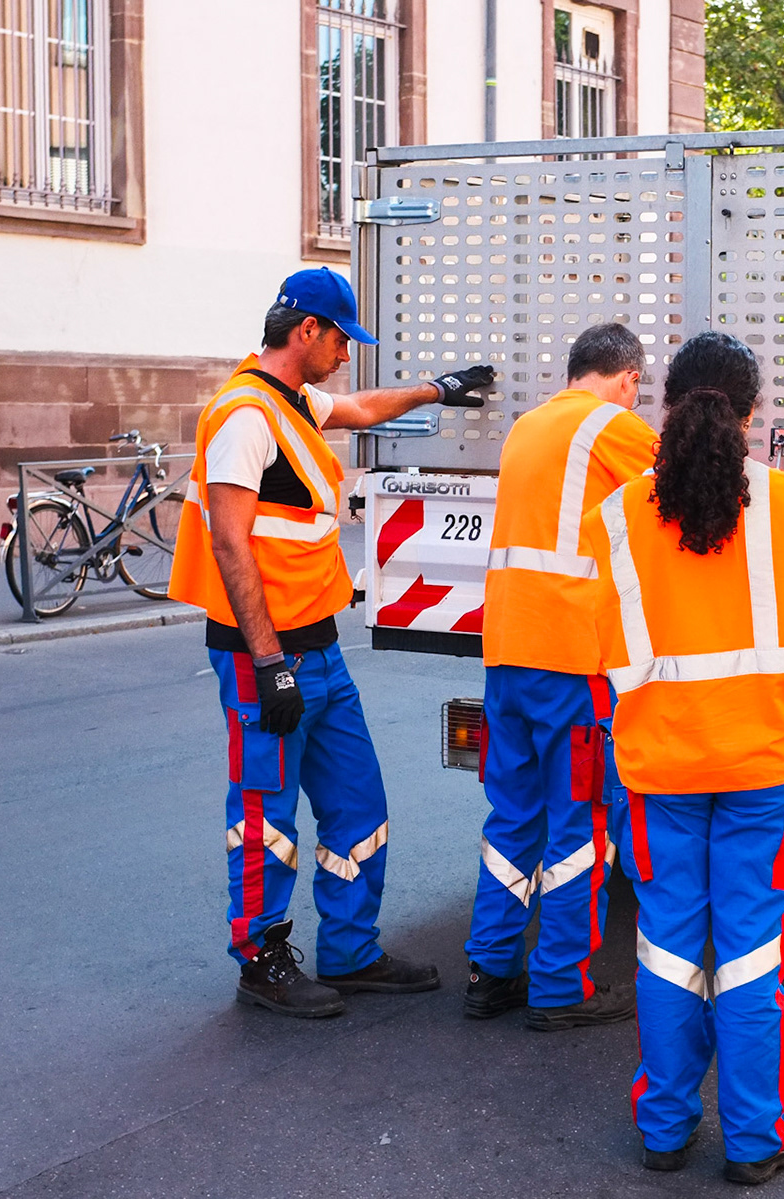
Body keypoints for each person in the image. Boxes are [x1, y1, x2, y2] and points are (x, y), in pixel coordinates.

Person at [169, 267, 495, 1018]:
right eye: (343, 338)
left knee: (358, 802)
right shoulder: (245, 414)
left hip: (317, 646)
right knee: (263, 812)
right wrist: (269, 662)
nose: (348, 353)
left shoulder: (292, 402)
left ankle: (350, 950)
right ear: (306, 330)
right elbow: (229, 541)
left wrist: (436, 390)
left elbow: (356, 408)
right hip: (267, 655)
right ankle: (261, 959)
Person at [581, 331, 784, 1184]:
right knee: (753, 955)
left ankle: (664, 1129)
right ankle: (758, 1139)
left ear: (666, 405)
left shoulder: (617, 514)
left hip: (659, 771)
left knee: (666, 950)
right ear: (752, 412)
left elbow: (602, 640)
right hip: (765, 767)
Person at [464, 323, 658, 1029]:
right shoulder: (611, 425)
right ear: (628, 378)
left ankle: (489, 971)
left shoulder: (529, 425)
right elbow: (685, 490)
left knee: (513, 815)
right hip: (571, 658)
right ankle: (558, 985)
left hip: (507, 652)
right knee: (579, 823)